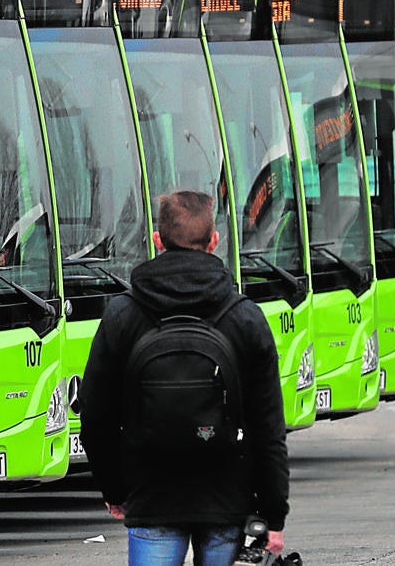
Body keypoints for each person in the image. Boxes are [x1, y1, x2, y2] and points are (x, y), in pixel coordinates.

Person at [79, 190, 289, 566]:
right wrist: (273, 513)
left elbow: (95, 415)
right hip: (227, 496)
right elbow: (268, 425)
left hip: (151, 492)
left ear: (157, 241)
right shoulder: (244, 317)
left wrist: (115, 488)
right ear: (214, 241)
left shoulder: (123, 315)